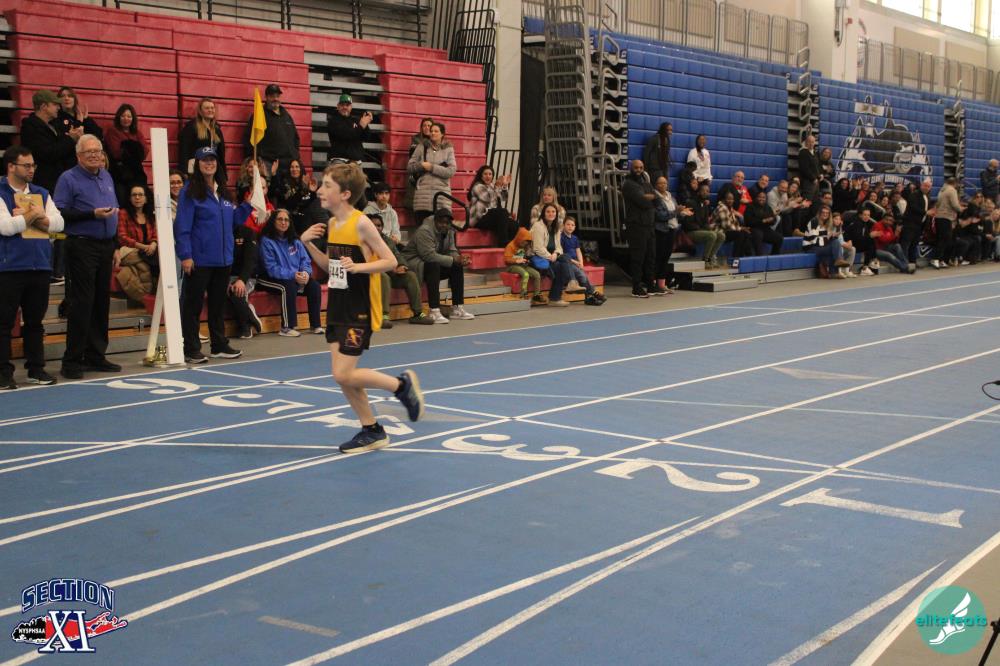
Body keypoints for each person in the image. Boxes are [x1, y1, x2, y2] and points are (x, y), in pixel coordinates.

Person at [311, 161, 424, 453]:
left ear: (345, 194)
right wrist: (306, 243)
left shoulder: (361, 223)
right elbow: (330, 266)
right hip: (337, 304)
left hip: (359, 307)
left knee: (343, 374)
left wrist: (358, 267)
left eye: (327, 186)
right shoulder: (333, 224)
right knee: (343, 377)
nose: (320, 190)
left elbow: (390, 261)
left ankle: (401, 386)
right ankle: (371, 429)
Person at [54, 135, 121, 379]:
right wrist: (91, 214)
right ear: (78, 156)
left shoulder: (106, 176)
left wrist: (115, 245)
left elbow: (114, 212)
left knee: (102, 302)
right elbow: (59, 212)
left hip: (105, 246)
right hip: (81, 245)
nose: (94, 155)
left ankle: (96, 355)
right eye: (88, 151)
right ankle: (72, 360)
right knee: (82, 303)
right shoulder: (68, 178)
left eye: (97, 151)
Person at [0, 146, 65, 388]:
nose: (31, 169)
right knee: (4, 323)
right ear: (11, 166)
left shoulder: (42, 193)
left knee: (35, 323)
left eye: (33, 165)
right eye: (26, 165)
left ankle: (36, 369)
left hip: (40, 266)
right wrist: (34, 215)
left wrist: (29, 216)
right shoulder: (1, 191)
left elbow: (58, 223)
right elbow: (6, 227)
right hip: (9, 268)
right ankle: (3, 372)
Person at [174, 146, 242, 364]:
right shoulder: (189, 191)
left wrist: (251, 206)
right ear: (197, 164)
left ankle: (219, 345)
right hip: (199, 260)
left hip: (223, 259)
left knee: (217, 305)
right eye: (205, 160)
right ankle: (191, 348)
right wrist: (185, 255)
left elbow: (233, 221)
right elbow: (182, 226)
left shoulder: (223, 191)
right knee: (192, 306)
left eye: (212, 160)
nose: (209, 163)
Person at [257, 209, 322, 337]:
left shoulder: (295, 240)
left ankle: (316, 325)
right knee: (288, 287)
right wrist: (293, 275)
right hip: (267, 278)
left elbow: (305, 260)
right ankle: (286, 328)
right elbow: (272, 268)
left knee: (314, 286)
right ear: (273, 221)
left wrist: (305, 273)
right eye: (280, 219)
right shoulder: (266, 241)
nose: (283, 222)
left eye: (286, 220)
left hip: (293, 277)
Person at [401, 208, 474, 323]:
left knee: (456, 267)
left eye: (447, 223)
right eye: (441, 222)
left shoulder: (450, 230)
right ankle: (434, 310)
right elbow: (428, 256)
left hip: (429, 264)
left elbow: (451, 250)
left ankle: (457, 308)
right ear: (435, 221)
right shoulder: (424, 231)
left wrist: (459, 259)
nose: (444, 225)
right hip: (413, 264)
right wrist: (454, 259)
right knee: (434, 265)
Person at [370, 213, 434, 326]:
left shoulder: (388, 241)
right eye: (373, 225)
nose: (376, 227)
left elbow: (398, 255)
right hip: (370, 275)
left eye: (379, 225)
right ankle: (383, 316)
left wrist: (402, 265)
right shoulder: (362, 240)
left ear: (382, 227)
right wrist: (390, 268)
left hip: (389, 272)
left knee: (410, 276)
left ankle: (417, 314)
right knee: (384, 277)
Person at [20, 90, 78, 196]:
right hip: (43, 184)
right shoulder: (30, 127)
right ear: (43, 106)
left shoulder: (54, 125)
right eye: (55, 104)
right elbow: (48, 153)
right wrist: (71, 139)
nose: (59, 107)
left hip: (57, 181)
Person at [621, 160, 662, 297]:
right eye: (636, 167)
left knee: (651, 256)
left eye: (641, 167)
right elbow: (643, 202)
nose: (639, 170)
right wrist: (649, 198)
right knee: (638, 257)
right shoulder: (628, 184)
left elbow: (657, 200)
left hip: (649, 225)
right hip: (636, 226)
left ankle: (650, 285)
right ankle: (636, 287)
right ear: (631, 168)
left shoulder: (646, 182)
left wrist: (651, 197)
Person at [243, 83, 300, 173]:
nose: (275, 99)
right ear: (266, 97)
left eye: (277, 96)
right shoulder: (259, 115)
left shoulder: (286, 115)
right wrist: (256, 160)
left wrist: (295, 156)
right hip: (268, 164)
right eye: (272, 96)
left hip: (288, 165)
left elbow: (295, 138)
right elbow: (249, 139)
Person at [115, 184, 158, 301]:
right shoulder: (123, 213)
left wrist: (153, 244)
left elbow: (156, 234)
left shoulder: (150, 215)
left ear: (146, 199)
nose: (137, 198)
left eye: (140, 195)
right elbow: (122, 237)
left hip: (148, 251)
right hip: (129, 250)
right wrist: (143, 247)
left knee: (150, 262)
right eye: (134, 195)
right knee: (146, 265)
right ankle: (145, 295)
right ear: (130, 198)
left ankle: (150, 294)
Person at [408, 121, 456, 223]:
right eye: (431, 131)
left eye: (436, 131)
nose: (433, 133)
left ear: (442, 134)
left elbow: (451, 171)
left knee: (441, 229)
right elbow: (410, 167)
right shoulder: (421, 147)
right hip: (422, 198)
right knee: (423, 228)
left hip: (441, 198)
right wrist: (421, 165)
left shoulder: (448, 149)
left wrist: (431, 167)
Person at [104, 103, 148, 205]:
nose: (126, 119)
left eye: (129, 116)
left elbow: (144, 152)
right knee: (123, 201)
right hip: (120, 174)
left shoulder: (137, 133)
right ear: (118, 117)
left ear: (133, 119)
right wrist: (135, 148)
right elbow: (116, 153)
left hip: (136, 172)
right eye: (123, 116)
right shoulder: (112, 131)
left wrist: (127, 147)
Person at [528, 203, 572, 306]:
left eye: (553, 212)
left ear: (556, 214)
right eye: (548, 212)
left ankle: (570, 283)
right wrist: (550, 256)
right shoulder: (538, 226)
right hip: (538, 258)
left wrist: (556, 253)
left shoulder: (556, 227)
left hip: (552, 257)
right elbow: (537, 248)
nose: (551, 214)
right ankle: (555, 297)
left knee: (566, 257)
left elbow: (559, 247)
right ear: (543, 213)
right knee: (560, 266)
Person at [559, 217, 606, 305]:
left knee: (583, 276)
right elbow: (562, 254)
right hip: (568, 262)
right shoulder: (561, 237)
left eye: (572, 225)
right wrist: (575, 262)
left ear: (575, 227)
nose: (570, 227)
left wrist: (581, 262)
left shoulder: (574, 238)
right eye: (568, 224)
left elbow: (578, 251)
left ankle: (589, 297)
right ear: (563, 225)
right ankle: (593, 293)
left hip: (576, 262)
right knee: (582, 276)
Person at [229, 218, 262, 340]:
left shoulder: (248, 232)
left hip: (247, 276)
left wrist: (242, 280)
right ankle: (250, 315)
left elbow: (250, 261)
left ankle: (245, 328)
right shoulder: (219, 232)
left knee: (237, 291)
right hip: (225, 275)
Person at [467, 164, 516, 247]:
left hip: (491, 217)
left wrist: (504, 185)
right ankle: (503, 243)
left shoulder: (492, 186)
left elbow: (504, 198)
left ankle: (511, 247)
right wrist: (497, 186)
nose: (488, 176)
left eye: (490, 174)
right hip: (479, 219)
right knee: (503, 212)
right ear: (481, 176)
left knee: (513, 224)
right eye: (485, 174)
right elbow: (487, 198)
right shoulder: (477, 186)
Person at [680, 181, 725, 269]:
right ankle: (705, 260)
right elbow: (687, 223)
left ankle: (711, 258)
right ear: (699, 192)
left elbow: (705, 222)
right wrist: (702, 228)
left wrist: (708, 228)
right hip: (689, 232)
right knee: (711, 235)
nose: (705, 192)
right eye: (703, 190)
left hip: (700, 230)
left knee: (721, 235)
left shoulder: (705, 204)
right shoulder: (691, 202)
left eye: (707, 191)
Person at [178, 98, 226, 179]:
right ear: (200, 111)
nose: (210, 110)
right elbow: (184, 150)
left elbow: (221, 154)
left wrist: (223, 174)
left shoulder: (217, 129)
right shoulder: (191, 127)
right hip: (195, 171)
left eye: (212, 108)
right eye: (207, 108)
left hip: (212, 170)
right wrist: (184, 171)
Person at [796, 204, 848, 279]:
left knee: (835, 242)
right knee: (834, 247)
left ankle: (835, 268)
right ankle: (836, 266)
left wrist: (833, 234)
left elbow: (827, 238)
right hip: (811, 247)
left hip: (820, 246)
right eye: (823, 212)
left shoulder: (827, 223)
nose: (825, 214)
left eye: (827, 213)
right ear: (819, 213)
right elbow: (813, 240)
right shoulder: (814, 221)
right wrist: (827, 238)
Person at [270, 158, 316, 235]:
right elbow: (291, 203)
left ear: (301, 169)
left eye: (297, 167)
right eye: (292, 167)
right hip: (290, 221)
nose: (294, 169)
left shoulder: (306, 182)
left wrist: (312, 192)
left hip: (305, 221)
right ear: (289, 169)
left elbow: (308, 203)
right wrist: (273, 174)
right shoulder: (285, 184)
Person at [652, 175, 680, 293]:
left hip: (671, 229)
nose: (663, 185)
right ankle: (652, 283)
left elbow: (675, 212)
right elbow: (660, 216)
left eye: (665, 183)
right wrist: (675, 212)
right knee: (658, 257)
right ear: (656, 185)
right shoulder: (655, 198)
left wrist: (682, 212)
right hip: (660, 230)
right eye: (660, 183)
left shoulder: (670, 197)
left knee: (665, 258)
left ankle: (662, 284)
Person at [504, 226, 546, 305]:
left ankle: (536, 294)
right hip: (512, 266)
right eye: (524, 241)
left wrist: (526, 260)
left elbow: (523, 256)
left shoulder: (524, 247)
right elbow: (506, 259)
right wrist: (516, 260)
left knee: (537, 274)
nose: (526, 243)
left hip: (522, 265)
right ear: (520, 238)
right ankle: (523, 293)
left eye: (527, 242)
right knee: (525, 274)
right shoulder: (510, 246)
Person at [326, 93, 372, 164]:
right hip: (339, 159)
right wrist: (361, 126)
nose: (345, 107)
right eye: (342, 105)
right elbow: (346, 135)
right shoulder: (333, 121)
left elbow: (366, 137)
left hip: (355, 161)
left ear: (351, 107)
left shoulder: (356, 120)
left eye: (347, 105)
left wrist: (366, 124)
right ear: (338, 106)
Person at [929, 177, 962, 269]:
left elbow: (938, 203)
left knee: (941, 239)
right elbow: (955, 205)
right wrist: (961, 209)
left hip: (939, 217)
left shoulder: (942, 190)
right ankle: (936, 259)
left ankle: (940, 260)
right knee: (945, 239)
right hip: (946, 217)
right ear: (955, 183)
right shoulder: (952, 190)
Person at [713, 191, 753, 264]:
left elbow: (734, 222)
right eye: (728, 199)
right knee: (740, 234)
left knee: (746, 234)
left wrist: (742, 228)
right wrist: (740, 228)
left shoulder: (729, 208)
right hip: (718, 231)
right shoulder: (722, 208)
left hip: (726, 231)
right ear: (724, 199)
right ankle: (735, 259)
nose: (730, 201)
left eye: (732, 199)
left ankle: (741, 258)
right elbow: (726, 225)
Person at [744, 190, 782, 256]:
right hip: (753, 228)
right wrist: (762, 221)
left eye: (763, 197)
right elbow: (748, 221)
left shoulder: (767, 207)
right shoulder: (750, 206)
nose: (761, 199)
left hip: (765, 229)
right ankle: (759, 256)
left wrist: (772, 220)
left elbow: (773, 219)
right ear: (756, 197)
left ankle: (774, 256)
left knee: (779, 238)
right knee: (758, 235)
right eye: (760, 197)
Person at [797, 133, 820, 200]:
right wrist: (813, 178)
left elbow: (817, 166)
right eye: (809, 141)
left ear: (814, 143)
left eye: (812, 142)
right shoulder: (803, 152)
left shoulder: (815, 153)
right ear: (806, 142)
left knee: (815, 201)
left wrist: (820, 175)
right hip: (808, 181)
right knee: (807, 200)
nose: (811, 143)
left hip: (816, 181)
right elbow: (804, 168)